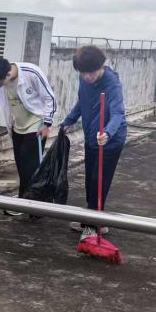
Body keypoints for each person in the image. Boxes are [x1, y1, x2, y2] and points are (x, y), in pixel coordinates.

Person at [61, 46, 127, 240]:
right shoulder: (84, 78)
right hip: (91, 136)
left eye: (91, 73)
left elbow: (118, 113)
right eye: (83, 73)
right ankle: (95, 220)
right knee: (90, 180)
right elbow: (81, 102)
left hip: (110, 141)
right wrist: (69, 121)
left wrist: (107, 132)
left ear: (101, 67)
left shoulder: (112, 83)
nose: (87, 77)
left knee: (99, 181)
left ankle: (92, 226)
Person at [0, 58, 57, 215]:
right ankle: (27, 200)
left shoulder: (31, 72)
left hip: (36, 123)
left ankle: (29, 204)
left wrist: (47, 124)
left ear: (7, 73)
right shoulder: (0, 81)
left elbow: (49, 97)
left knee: (30, 166)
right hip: (17, 124)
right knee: (21, 165)